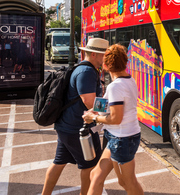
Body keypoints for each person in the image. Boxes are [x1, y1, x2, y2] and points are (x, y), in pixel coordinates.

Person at [42, 38, 109, 195]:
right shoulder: (87, 72)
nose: (105, 58)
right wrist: (110, 110)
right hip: (78, 129)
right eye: (103, 54)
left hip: (67, 126)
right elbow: (89, 102)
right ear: (94, 54)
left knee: (59, 162)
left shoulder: (83, 69)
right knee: (90, 165)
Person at [82, 44, 144, 195]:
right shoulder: (129, 80)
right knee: (95, 175)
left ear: (105, 65)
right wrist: (94, 110)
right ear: (125, 62)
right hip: (120, 137)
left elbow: (116, 118)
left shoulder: (115, 86)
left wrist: (94, 118)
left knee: (127, 182)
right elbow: (110, 103)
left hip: (122, 139)